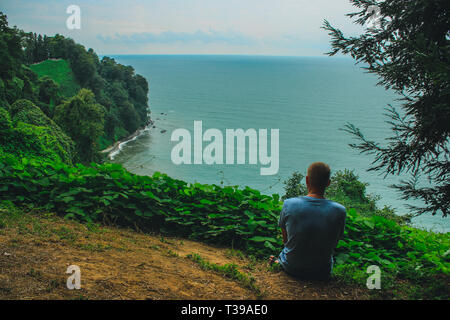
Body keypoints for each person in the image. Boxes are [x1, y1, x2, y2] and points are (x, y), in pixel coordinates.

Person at [269, 162, 346, 281]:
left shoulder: (289, 204)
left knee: (286, 251)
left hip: (291, 267)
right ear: (328, 183)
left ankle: (278, 262)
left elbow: (286, 241)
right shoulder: (339, 211)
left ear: (307, 180)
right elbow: (334, 243)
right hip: (322, 271)